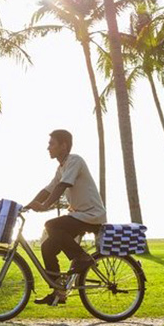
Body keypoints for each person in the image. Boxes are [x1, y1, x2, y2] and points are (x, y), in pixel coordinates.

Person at [23, 129, 106, 306]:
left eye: (51, 144)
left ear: (64, 146)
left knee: (51, 225)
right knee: (47, 247)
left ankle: (82, 258)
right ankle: (58, 292)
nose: (48, 148)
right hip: (79, 215)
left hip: (91, 215)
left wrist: (45, 206)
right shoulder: (61, 168)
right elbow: (49, 189)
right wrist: (28, 205)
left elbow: (63, 186)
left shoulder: (75, 160)